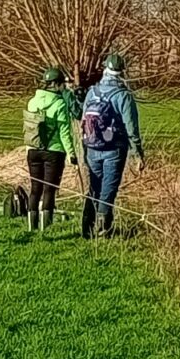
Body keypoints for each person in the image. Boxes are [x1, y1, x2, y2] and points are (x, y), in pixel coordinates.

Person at [78, 54, 144, 238]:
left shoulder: (92, 92)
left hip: (92, 147)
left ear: (105, 69)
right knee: (108, 189)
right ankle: (103, 230)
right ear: (122, 72)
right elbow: (131, 128)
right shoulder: (124, 95)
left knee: (94, 186)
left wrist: (84, 147)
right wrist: (137, 153)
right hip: (114, 148)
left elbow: (84, 121)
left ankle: (87, 227)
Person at [22, 64, 75, 232]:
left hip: (33, 149)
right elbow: (64, 132)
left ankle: (31, 226)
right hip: (54, 151)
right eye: (62, 84)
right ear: (57, 84)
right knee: (49, 190)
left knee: (35, 188)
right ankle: (47, 227)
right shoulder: (60, 104)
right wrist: (71, 153)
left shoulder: (32, 102)